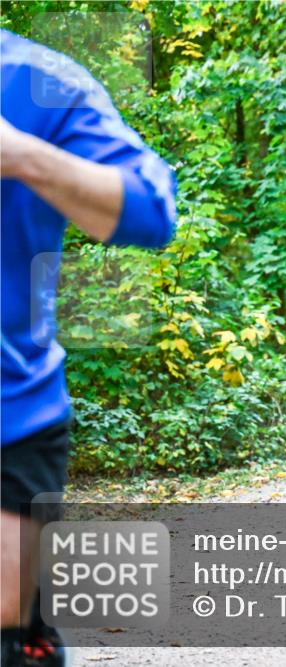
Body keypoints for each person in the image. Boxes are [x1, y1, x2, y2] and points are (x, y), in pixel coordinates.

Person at [1, 29, 177, 667]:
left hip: (10, 419)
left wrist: (21, 155)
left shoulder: (37, 80)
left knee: (11, 643)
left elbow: (151, 211)